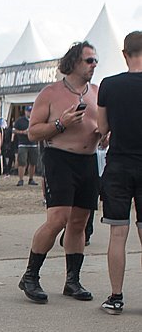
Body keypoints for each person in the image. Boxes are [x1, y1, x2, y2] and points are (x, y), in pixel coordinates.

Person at [18, 41, 100, 303]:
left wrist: (104, 135)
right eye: (89, 60)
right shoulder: (51, 93)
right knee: (58, 219)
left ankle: (72, 281)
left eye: (95, 61)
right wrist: (60, 123)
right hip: (59, 158)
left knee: (79, 222)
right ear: (74, 62)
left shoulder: (96, 92)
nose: (94, 65)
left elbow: (103, 126)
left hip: (88, 161)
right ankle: (30, 276)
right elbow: (33, 132)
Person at [97, 31, 142, 313]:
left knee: (118, 233)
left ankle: (116, 296)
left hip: (119, 165)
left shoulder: (109, 85)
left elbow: (102, 129)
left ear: (124, 54)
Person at [13, 107, 38, 185]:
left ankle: (31, 179)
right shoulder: (20, 120)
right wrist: (22, 132)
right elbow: (14, 130)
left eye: (31, 111)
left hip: (33, 143)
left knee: (33, 162)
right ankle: (21, 179)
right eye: (28, 111)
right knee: (22, 162)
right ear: (25, 112)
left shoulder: (36, 119)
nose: (29, 113)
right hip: (23, 143)